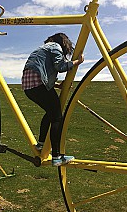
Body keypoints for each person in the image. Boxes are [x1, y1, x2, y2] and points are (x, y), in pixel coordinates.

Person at [21, 33, 84, 166]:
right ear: (63, 42)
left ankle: (41, 144)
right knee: (57, 118)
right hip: (38, 85)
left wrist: (57, 85)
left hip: (28, 87)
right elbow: (60, 67)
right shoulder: (55, 46)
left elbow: (39, 71)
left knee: (51, 113)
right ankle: (57, 156)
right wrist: (77, 62)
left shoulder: (42, 49)